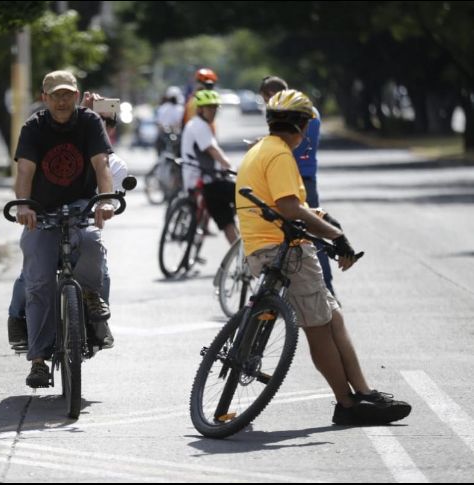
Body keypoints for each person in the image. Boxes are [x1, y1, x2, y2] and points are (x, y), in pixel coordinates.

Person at [235, 89, 411, 425]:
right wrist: (337, 236)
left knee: (334, 318)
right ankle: (347, 404)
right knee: (319, 328)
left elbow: (286, 205)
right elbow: (288, 207)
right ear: (301, 125)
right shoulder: (280, 155)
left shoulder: (262, 149)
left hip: (264, 245)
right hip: (283, 249)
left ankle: (364, 392)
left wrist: (323, 218)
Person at [13, 70, 117, 388]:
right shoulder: (33, 127)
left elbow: (101, 165)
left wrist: (105, 201)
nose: (62, 100)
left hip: (80, 206)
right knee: (39, 281)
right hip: (41, 212)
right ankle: (39, 361)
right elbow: (25, 171)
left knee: (92, 243)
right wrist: (24, 205)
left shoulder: (88, 122)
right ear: (44, 98)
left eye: (67, 94)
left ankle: (88, 296)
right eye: (55, 95)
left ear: (76, 95)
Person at [258, 76, 335, 294]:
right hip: (297, 177)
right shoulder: (302, 111)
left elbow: (294, 148)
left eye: (267, 100)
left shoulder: (304, 114)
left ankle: (325, 287)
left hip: (300, 179)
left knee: (311, 232)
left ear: (273, 95)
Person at [179, 89, 239, 245]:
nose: (213, 111)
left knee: (226, 221)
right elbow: (213, 150)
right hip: (204, 182)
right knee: (247, 198)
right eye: (209, 107)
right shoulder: (199, 126)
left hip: (206, 181)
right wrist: (231, 167)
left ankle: (240, 255)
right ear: (200, 109)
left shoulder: (199, 124)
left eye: (215, 107)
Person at [155, 86, 185, 155]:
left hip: (173, 136)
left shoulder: (163, 108)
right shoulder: (180, 109)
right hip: (168, 137)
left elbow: (159, 124)